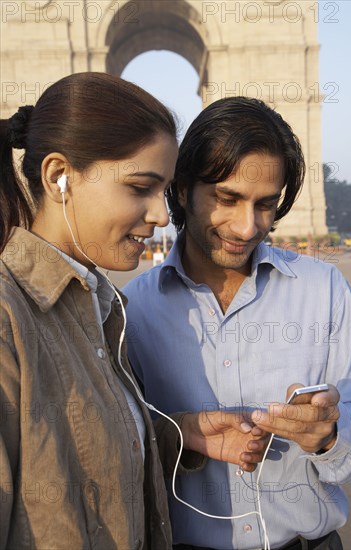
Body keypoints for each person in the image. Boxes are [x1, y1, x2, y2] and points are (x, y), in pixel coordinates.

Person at [0, 76, 270, 549]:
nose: (163, 216)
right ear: (58, 176)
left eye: (164, 191)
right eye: (140, 187)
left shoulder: (100, 306)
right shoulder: (8, 316)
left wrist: (178, 434)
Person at [123, 97, 351, 550]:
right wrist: (183, 430)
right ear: (181, 190)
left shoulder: (325, 289)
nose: (246, 227)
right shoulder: (132, 310)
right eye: (227, 198)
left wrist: (330, 435)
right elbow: (117, 449)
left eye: (265, 205)